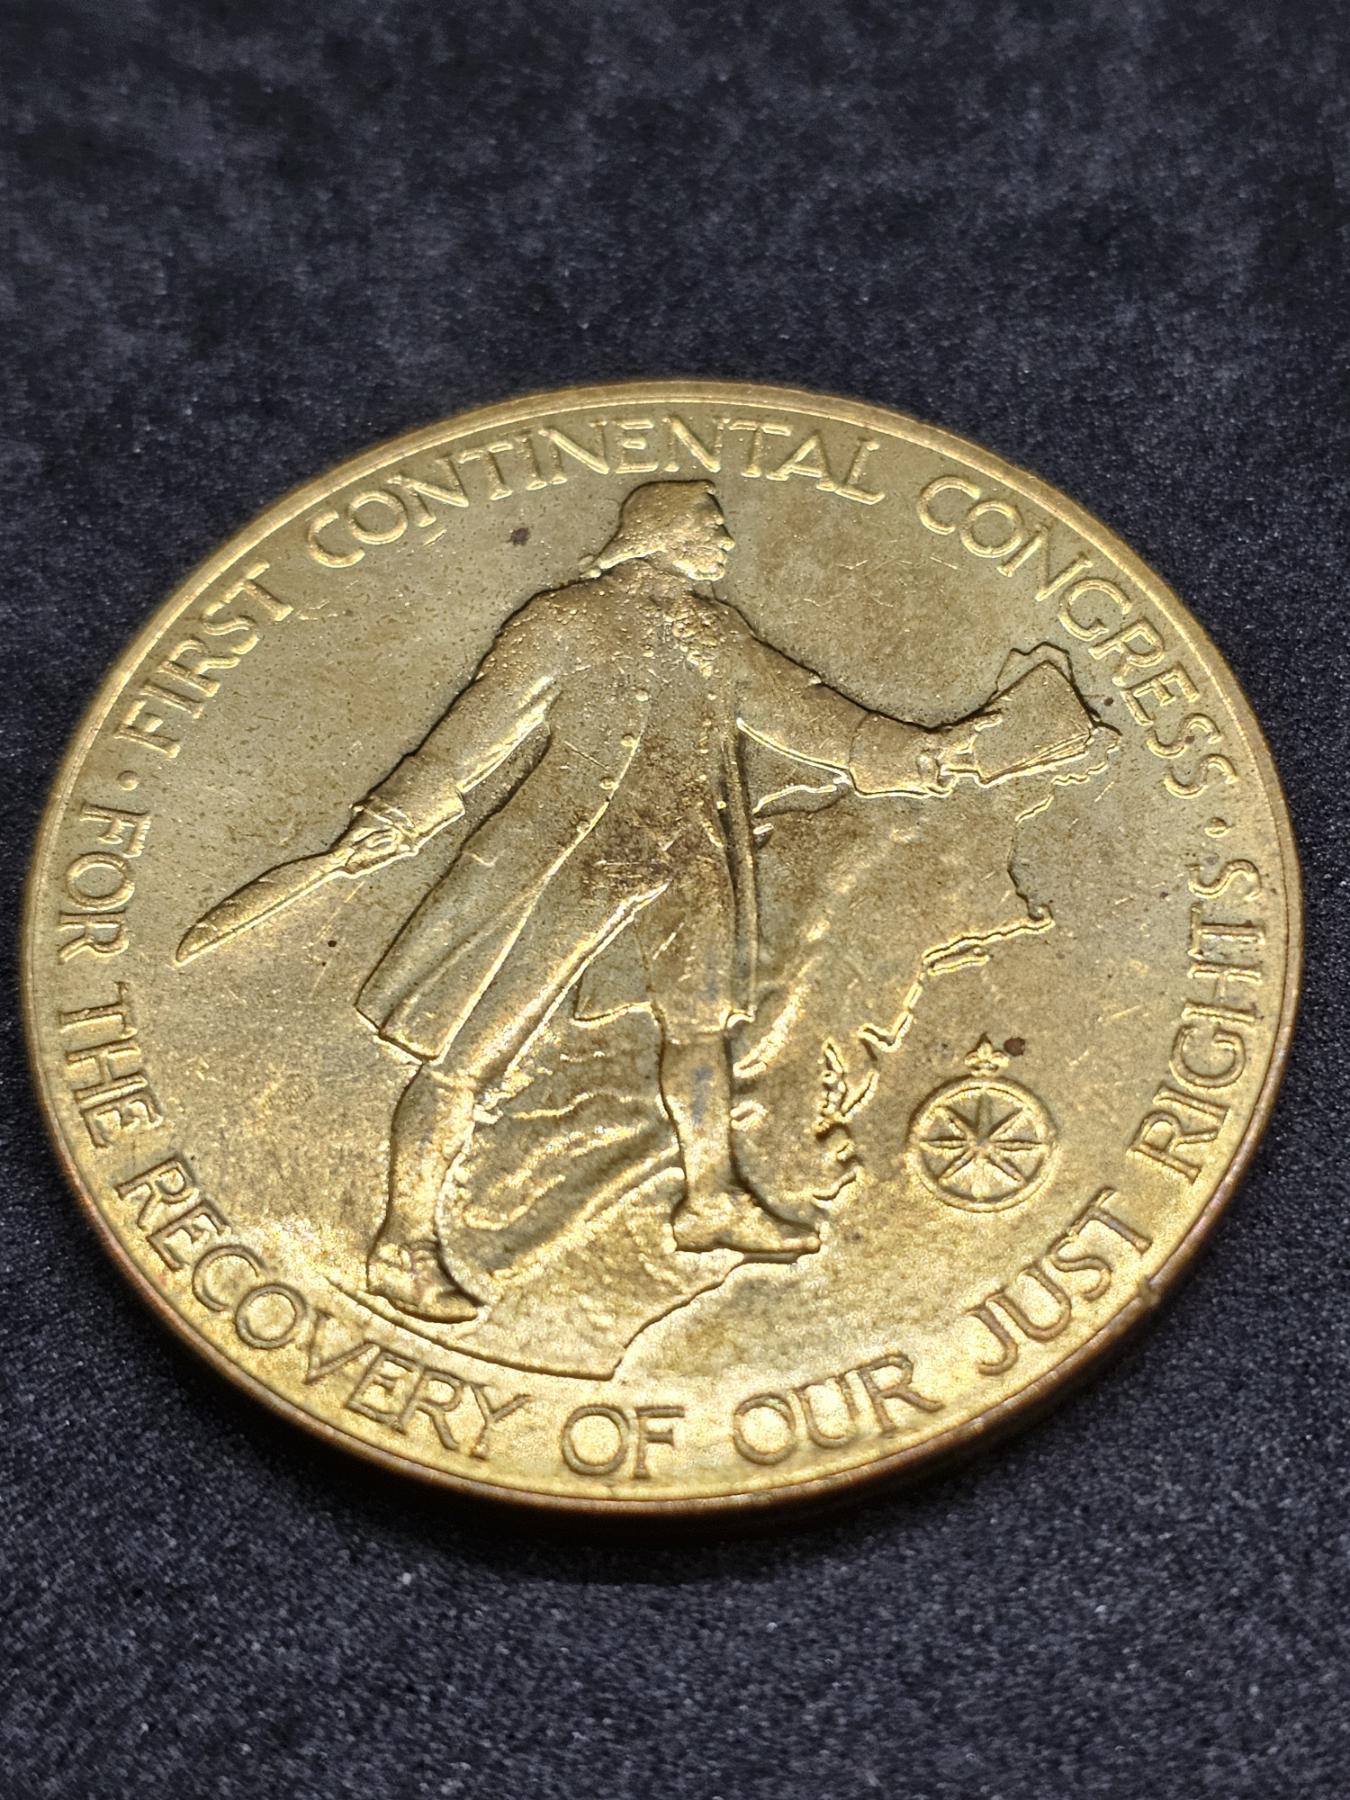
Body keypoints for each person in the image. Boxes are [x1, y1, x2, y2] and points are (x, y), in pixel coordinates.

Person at [331, 480, 982, 1322]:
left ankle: (710, 1200)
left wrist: (921, 754)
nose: (727, 543)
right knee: (469, 1049)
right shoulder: (564, 619)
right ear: (662, 534)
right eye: (711, 527)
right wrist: (398, 813)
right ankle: (403, 1244)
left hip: (690, 859)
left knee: (700, 1032)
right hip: (570, 861)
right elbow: (474, 732)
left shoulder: (718, 632)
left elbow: (805, 716)